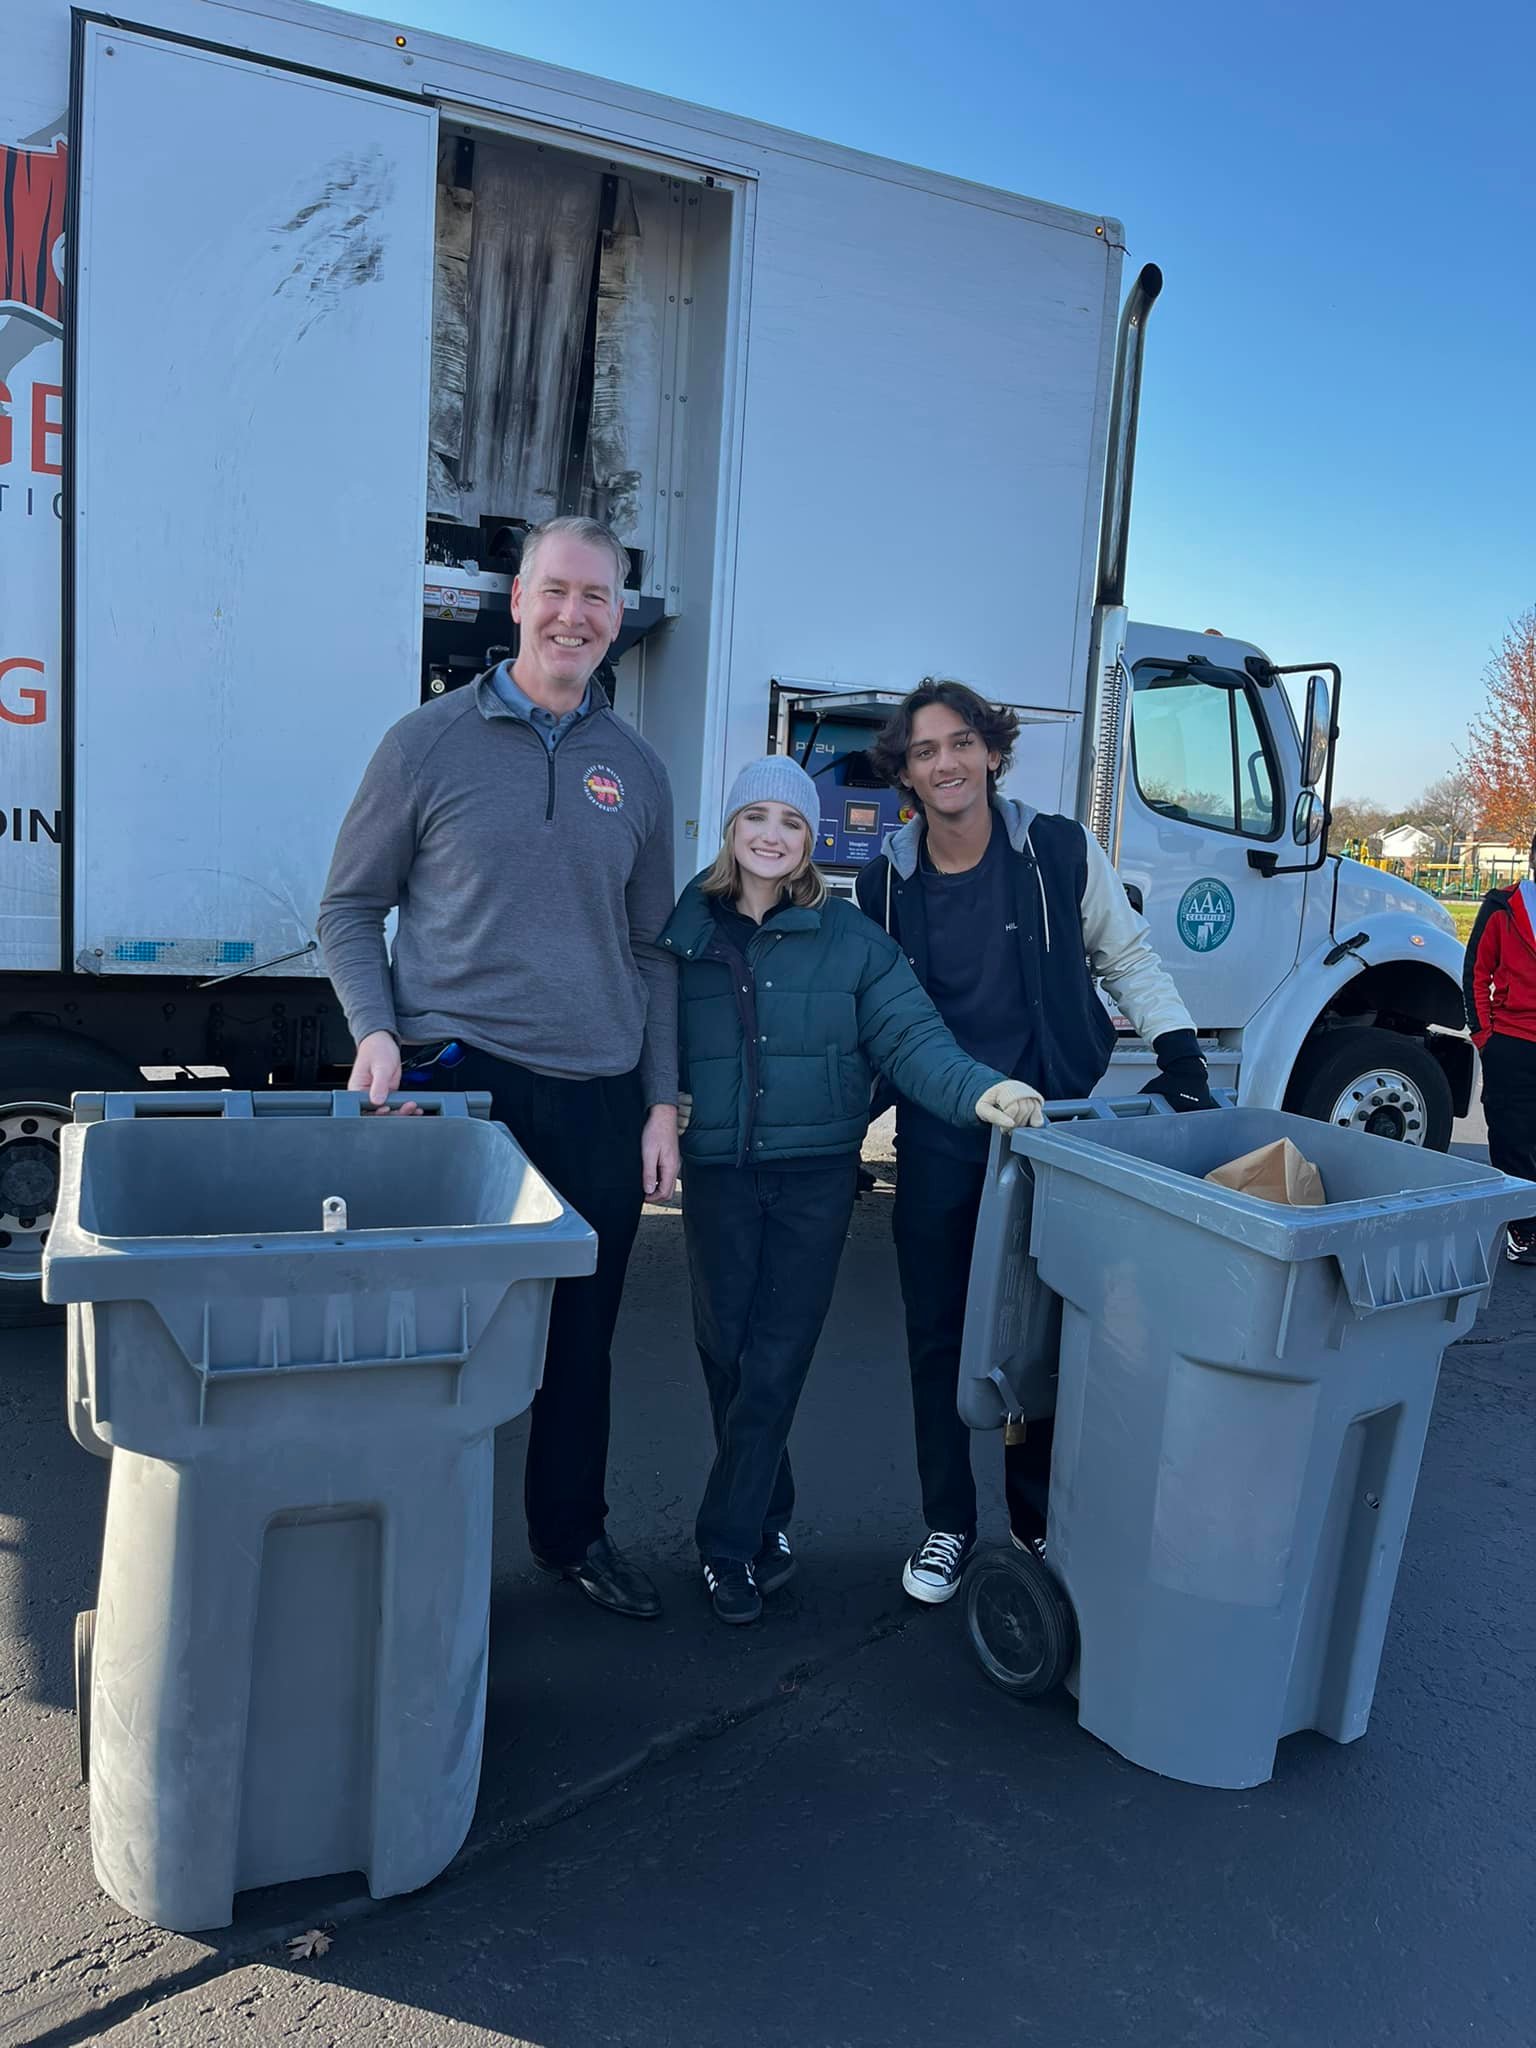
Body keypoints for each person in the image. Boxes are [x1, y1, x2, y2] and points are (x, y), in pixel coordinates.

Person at [318, 515, 679, 1619]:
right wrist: (376, 1029)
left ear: (618, 619)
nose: (575, 613)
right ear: (515, 599)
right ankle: (408, 1548)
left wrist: (662, 1100)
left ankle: (570, 1535)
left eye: (598, 597)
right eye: (557, 590)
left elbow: (653, 947)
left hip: (599, 1094)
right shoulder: (425, 743)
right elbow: (349, 906)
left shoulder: (640, 772)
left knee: (581, 1342)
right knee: (434, 1342)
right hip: (457, 1087)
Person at [656, 757, 1044, 1625]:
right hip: (716, 1171)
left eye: (790, 822)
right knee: (727, 1354)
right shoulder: (681, 931)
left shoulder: (853, 939)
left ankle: (725, 1545)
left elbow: (913, 1039)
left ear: (809, 840)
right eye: (755, 816)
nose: (771, 834)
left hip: (815, 1177)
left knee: (777, 1356)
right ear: (731, 830)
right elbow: (644, 1032)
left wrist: (978, 1091)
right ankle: (770, 1519)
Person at [855, 678, 1216, 1605]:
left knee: (1041, 1334)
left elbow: (1125, 955)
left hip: (1053, 1135)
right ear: (906, 770)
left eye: (961, 742)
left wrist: (1180, 1060)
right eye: (926, 750)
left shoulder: (1055, 848)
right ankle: (946, 1524)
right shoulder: (885, 879)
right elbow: (872, 1015)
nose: (947, 763)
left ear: (992, 751)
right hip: (939, 1137)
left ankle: (1036, 1518)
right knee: (937, 1335)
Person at [1463, 836, 1536, 1263]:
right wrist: (1484, 1037)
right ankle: (1522, 1230)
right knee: (1512, 1140)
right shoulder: (1501, 907)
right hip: (1510, 1043)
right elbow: (1475, 971)